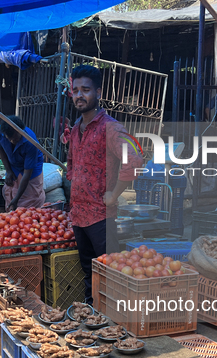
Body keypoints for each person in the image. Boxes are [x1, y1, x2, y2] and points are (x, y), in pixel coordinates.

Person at [67, 65, 143, 305]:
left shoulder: (110, 127)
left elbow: (135, 158)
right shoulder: (76, 129)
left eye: (86, 90)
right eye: (75, 90)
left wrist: (115, 193)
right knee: (89, 272)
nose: (80, 95)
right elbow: (71, 164)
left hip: (101, 216)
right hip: (78, 215)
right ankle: (94, 315)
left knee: (109, 272)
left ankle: (115, 322)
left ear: (98, 92)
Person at [0, 116, 45, 211]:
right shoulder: (0, 131)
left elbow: (27, 174)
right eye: (11, 139)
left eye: (16, 140)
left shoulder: (30, 142)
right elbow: (0, 148)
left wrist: (16, 199)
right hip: (13, 163)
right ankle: (11, 217)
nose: (13, 142)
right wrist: (8, 171)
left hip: (32, 168)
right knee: (10, 191)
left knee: (31, 197)